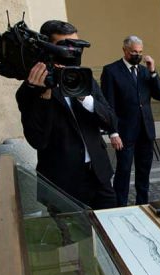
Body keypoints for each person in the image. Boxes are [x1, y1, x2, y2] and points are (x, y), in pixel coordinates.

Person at [16, 20, 117, 209]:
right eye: (66, 46)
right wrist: (44, 95)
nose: (73, 52)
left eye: (77, 46)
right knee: (75, 238)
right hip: (62, 184)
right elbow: (38, 140)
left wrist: (84, 99)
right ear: (47, 48)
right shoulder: (30, 89)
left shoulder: (85, 80)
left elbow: (111, 121)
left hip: (99, 176)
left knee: (111, 231)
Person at [101, 36, 160, 206]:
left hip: (146, 131)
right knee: (123, 171)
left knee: (144, 172)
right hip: (124, 132)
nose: (137, 55)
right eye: (134, 52)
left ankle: (142, 204)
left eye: (140, 52)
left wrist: (153, 72)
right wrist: (113, 132)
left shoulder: (145, 71)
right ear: (124, 50)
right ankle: (120, 206)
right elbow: (108, 105)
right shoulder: (111, 71)